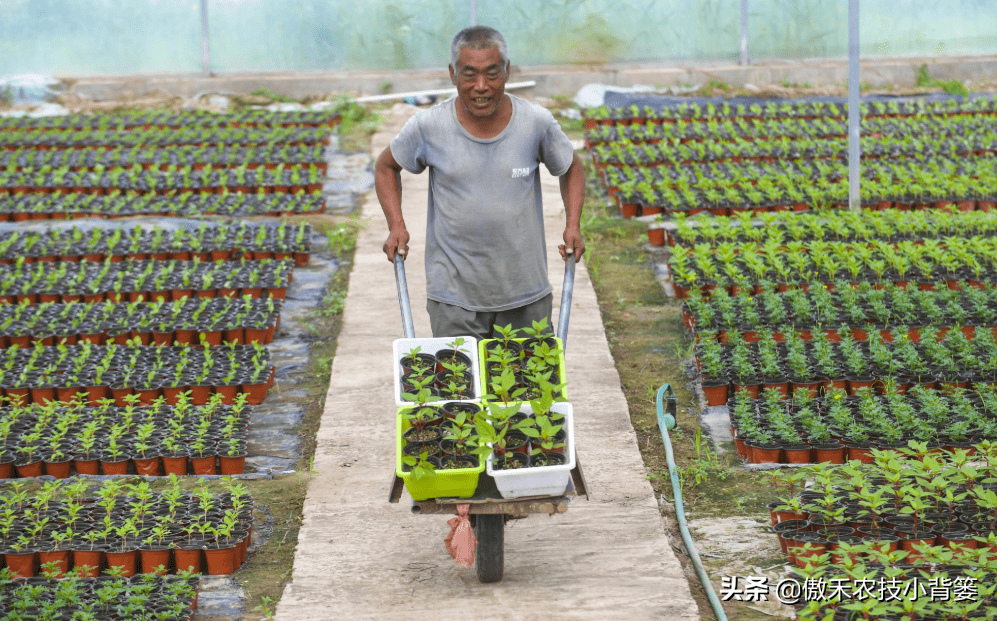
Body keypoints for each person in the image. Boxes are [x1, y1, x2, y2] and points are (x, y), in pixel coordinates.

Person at [374, 25, 585, 341]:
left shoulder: (535, 122)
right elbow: (385, 167)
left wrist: (573, 225)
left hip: (525, 292)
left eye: (492, 73)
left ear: (508, 72)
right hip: (454, 298)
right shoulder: (429, 126)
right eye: (469, 74)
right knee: (460, 389)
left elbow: (572, 167)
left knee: (528, 388)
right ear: (452, 74)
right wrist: (397, 225)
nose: (481, 86)